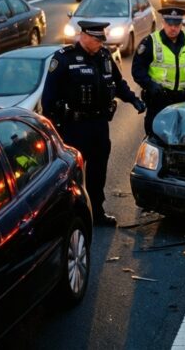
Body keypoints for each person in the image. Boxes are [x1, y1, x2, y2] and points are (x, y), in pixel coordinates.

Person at [42, 20, 145, 226]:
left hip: (99, 126)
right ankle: (70, 214)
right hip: (74, 127)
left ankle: (96, 211)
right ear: (85, 36)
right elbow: (48, 99)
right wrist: (55, 129)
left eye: (101, 39)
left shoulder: (105, 57)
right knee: (73, 173)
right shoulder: (64, 59)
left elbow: (117, 83)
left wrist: (133, 100)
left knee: (98, 172)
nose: (100, 43)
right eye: (97, 39)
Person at [131, 7, 185, 136]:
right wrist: (151, 86)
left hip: (183, 100)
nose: (173, 28)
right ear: (163, 23)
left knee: (182, 136)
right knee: (155, 135)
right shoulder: (150, 42)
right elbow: (138, 70)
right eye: (170, 24)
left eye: (177, 25)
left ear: (181, 25)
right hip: (159, 99)